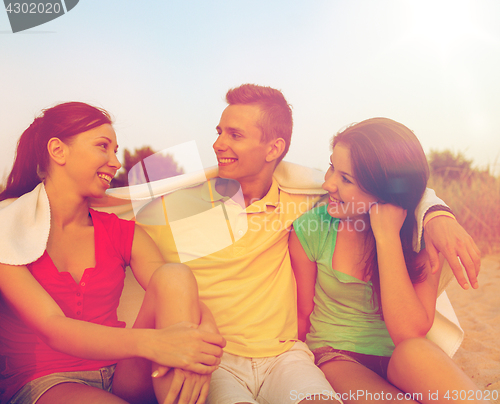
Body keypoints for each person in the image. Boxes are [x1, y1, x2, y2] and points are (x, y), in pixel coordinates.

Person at [114, 84, 480, 404]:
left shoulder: (314, 204)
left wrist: (434, 214)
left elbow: (392, 182)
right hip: (292, 359)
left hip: (333, 357)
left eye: (234, 135)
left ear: (274, 148)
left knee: (416, 357)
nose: (217, 144)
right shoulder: (178, 207)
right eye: (220, 131)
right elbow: (112, 223)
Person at [0, 102, 225, 404]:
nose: (115, 162)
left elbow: (175, 288)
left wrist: (203, 332)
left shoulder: (121, 232)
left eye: (116, 151)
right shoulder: (7, 230)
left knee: (174, 273)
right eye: (103, 147)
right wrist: (156, 343)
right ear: (58, 151)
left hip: (122, 374)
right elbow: (54, 328)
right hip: (45, 381)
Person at [290, 118, 485, 403]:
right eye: (332, 167)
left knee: (420, 356)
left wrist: (387, 237)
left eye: (346, 179)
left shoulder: (423, 236)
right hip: (335, 356)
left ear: (383, 192)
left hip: (400, 355)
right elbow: (302, 315)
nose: (328, 183)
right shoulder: (312, 228)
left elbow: (409, 333)